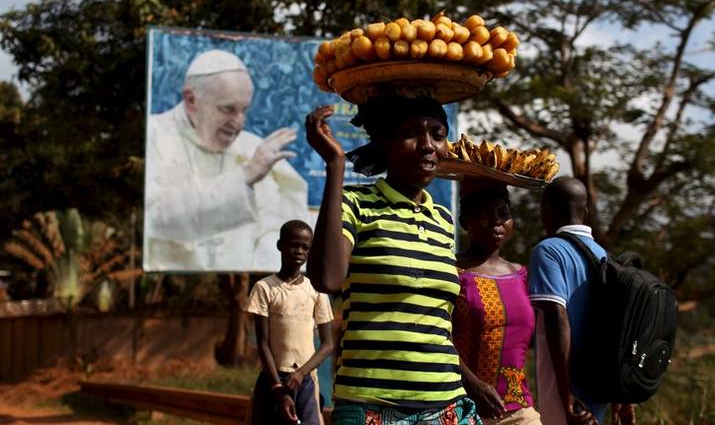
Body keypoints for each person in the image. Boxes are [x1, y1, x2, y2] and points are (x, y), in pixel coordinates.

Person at [304, 96, 482, 424]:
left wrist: (470, 382)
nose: (428, 145)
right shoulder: (356, 204)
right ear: (385, 141)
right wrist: (335, 166)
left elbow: (437, 324)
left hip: (445, 405)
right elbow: (326, 278)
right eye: (411, 133)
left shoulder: (443, 220)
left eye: (438, 134)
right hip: (373, 407)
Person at [144, 49, 309, 272]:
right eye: (228, 109)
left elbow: (279, 227)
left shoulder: (253, 147)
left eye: (244, 109)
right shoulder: (153, 135)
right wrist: (245, 176)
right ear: (191, 100)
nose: (239, 122)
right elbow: (156, 217)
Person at [528, 177, 634, 425]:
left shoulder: (549, 250)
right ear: (585, 213)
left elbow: (557, 316)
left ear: (547, 211)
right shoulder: (605, 256)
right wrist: (622, 394)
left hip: (567, 390)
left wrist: (565, 393)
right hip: (599, 385)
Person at [453, 181, 541, 425]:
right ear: (464, 222)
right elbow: (437, 336)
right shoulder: (453, 272)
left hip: (519, 410)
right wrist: (474, 385)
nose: (497, 222)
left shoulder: (522, 275)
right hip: (463, 410)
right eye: (483, 215)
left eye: (503, 214)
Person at [246, 220, 334, 424]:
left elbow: (328, 343)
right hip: (273, 380)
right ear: (280, 245)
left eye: (305, 247)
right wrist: (278, 388)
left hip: (306, 381)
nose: (299, 251)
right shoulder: (264, 288)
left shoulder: (316, 290)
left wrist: (301, 373)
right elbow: (263, 344)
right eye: (294, 245)